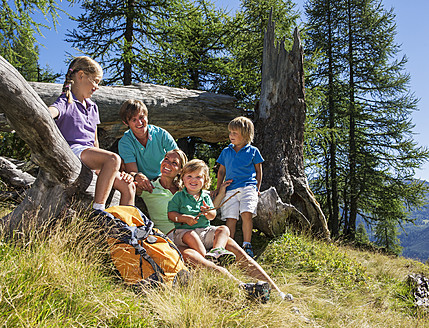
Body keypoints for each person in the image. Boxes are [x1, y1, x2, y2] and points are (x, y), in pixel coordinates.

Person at [138, 150, 293, 301]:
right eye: (166, 159)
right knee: (192, 256)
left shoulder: (188, 188)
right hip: (174, 237)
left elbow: (211, 206)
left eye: (174, 163)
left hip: (201, 232)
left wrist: (220, 193)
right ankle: (244, 287)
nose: (168, 164)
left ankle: (277, 293)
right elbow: (129, 183)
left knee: (232, 245)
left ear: (181, 171)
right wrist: (135, 175)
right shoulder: (149, 187)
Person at [49, 56, 136, 211]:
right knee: (113, 158)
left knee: (128, 185)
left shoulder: (93, 107)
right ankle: (99, 210)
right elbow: (51, 112)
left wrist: (101, 167)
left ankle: (126, 226)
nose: (97, 86)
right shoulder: (66, 101)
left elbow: (94, 141)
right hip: (72, 152)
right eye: (95, 81)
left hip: (90, 155)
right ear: (81, 76)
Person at [167, 159, 237, 265]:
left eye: (198, 177)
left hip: (205, 231)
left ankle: (216, 251)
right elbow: (171, 215)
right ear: (183, 179)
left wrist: (208, 212)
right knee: (190, 235)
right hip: (184, 233)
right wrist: (184, 218)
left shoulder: (205, 197)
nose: (193, 180)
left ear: (205, 180)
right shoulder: (179, 196)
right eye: (189, 176)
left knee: (224, 229)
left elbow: (212, 216)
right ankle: (205, 258)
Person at [215, 116, 264, 258]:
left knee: (246, 214)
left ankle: (247, 244)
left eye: (234, 133)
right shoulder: (226, 151)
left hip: (248, 187)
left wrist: (257, 187)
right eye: (230, 132)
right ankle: (230, 246)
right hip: (230, 188)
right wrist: (219, 189)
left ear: (246, 134)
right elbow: (221, 171)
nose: (231, 136)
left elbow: (259, 171)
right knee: (230, 218)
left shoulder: (253, 151)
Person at [118, 99, 177, 193]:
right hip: (143, 182)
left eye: (141, 117)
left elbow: (179, 159)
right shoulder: (125, 143)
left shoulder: (161, 134)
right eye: (134, 120)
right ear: (126, 123)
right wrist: (138, 176)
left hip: (165, 176)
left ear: (147, 116)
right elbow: (132, 172)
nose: (140, 123)